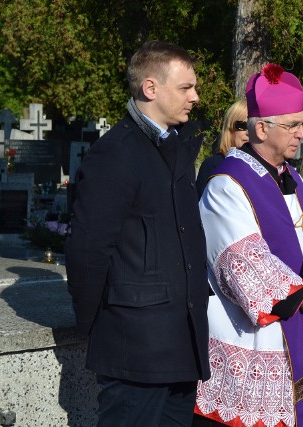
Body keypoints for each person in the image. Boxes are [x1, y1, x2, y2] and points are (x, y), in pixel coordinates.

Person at [65, 40, 210, 427]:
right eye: (186, 88)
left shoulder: (177, 146)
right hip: (135, 348)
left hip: (182, 344)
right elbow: (88, 248)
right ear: (150, 88)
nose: (195, 97)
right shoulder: (115, 153)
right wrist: (91, 324)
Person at [193, 64, 303, 427]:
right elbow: (241, 261)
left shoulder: (294, 179)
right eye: (293, 125)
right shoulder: (226, 184)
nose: (302, 134)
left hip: (296, 336)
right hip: (252, 345)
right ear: (261, 128)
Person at [196, 99, 248, 196]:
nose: (249, 132)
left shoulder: (268, 168)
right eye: (243, 125)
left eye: (253, 127)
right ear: (230, 128)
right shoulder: (213, 165)